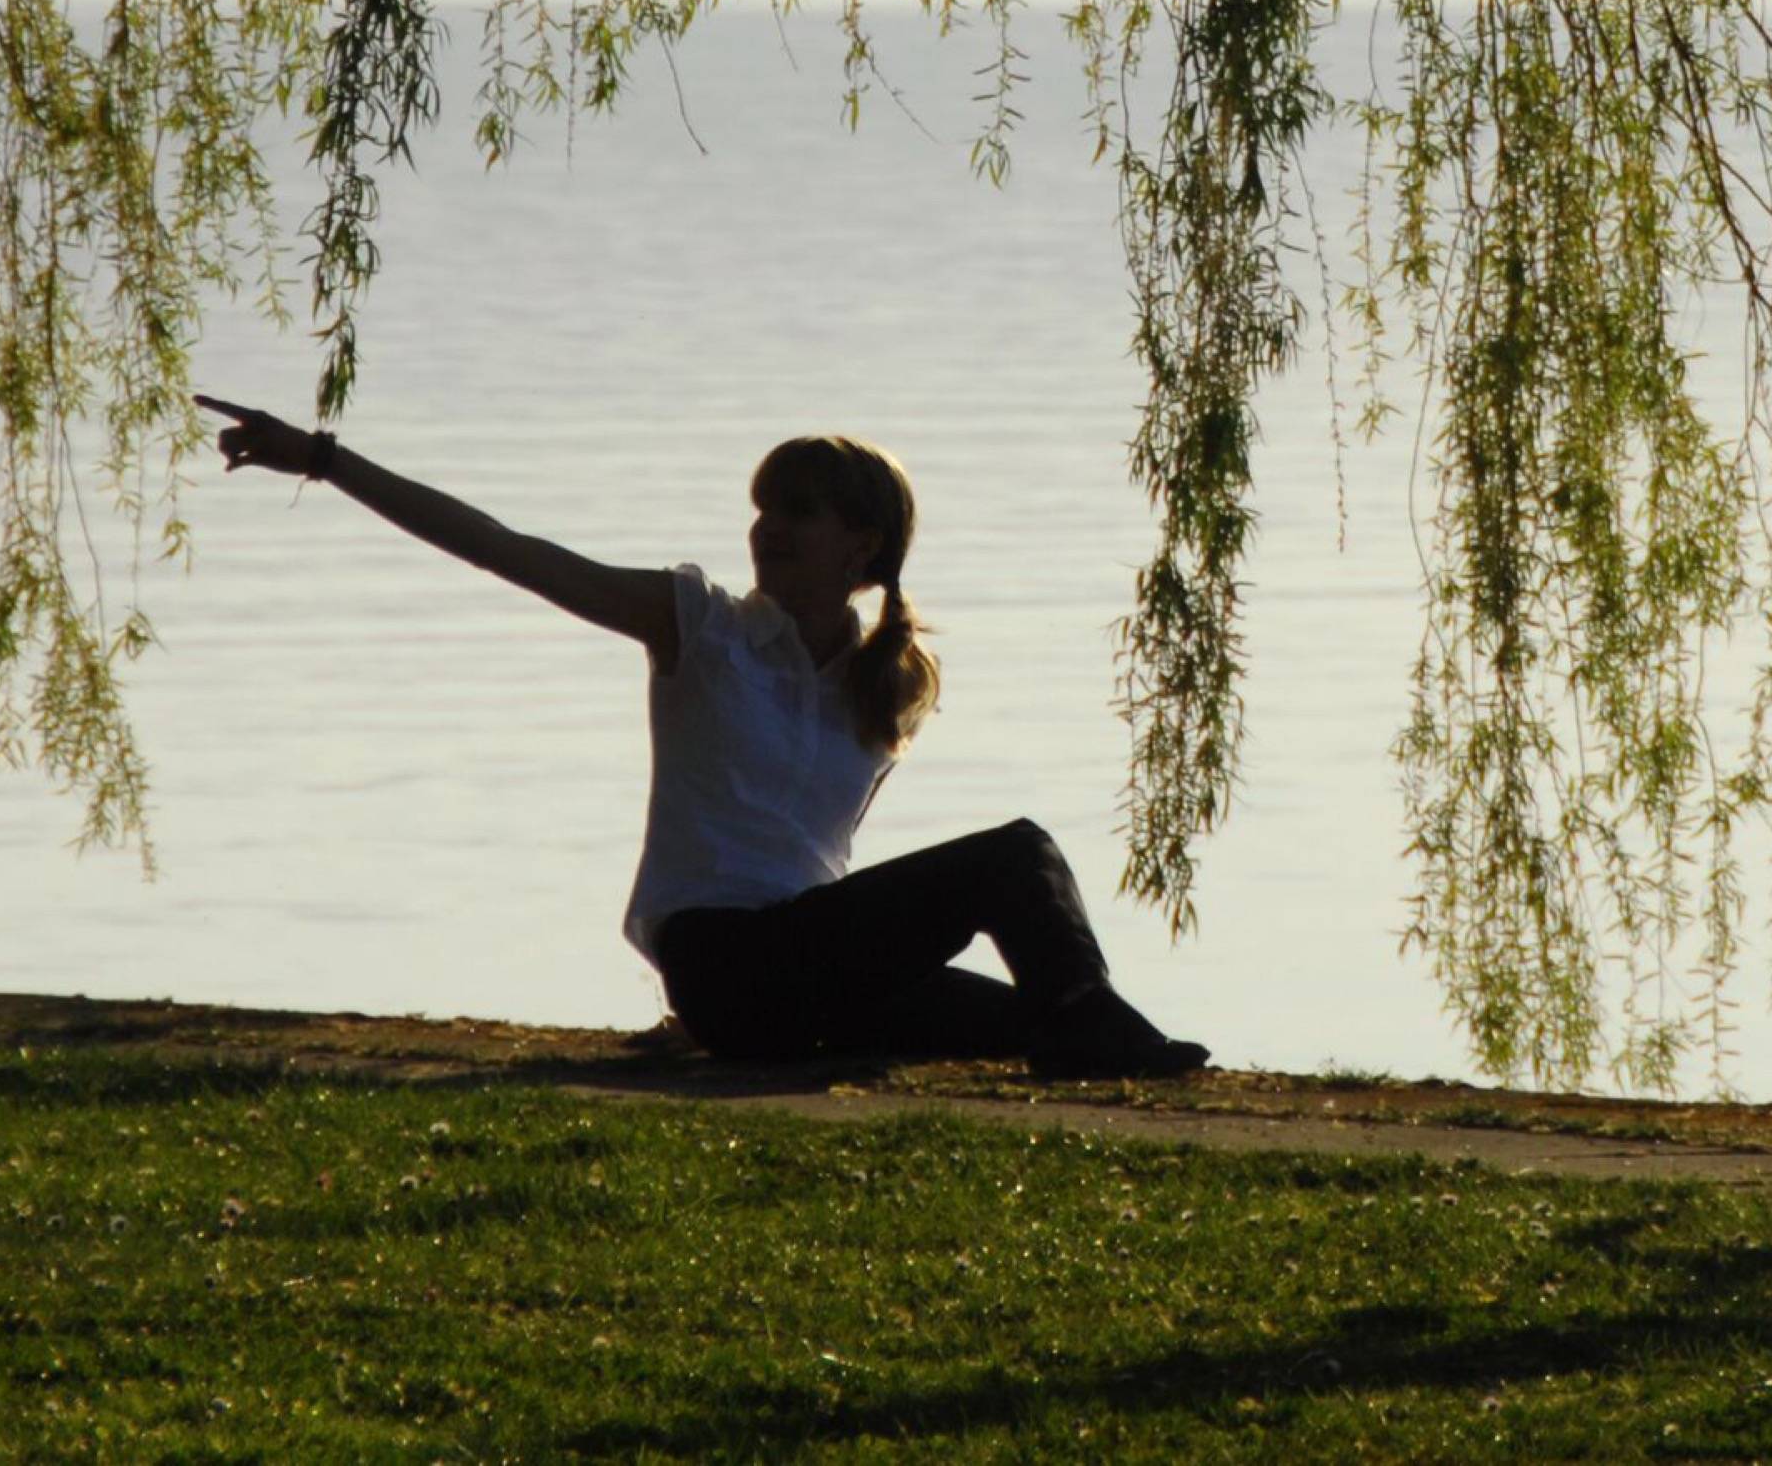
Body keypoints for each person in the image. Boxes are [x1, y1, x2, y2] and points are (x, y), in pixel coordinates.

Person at [197, 404, 1210, 1080]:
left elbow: (812, 852)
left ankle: (1081, 1023)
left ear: (861, 545)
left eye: (798, 512)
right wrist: (324, 460)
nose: (767, 528)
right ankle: (1097, 1019)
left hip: (807, 969)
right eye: (762, 508)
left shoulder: (888, 680)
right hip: (726, 965)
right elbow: (506, 549)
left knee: (1027, 1021)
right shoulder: (698, 625)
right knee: (1016, 853)